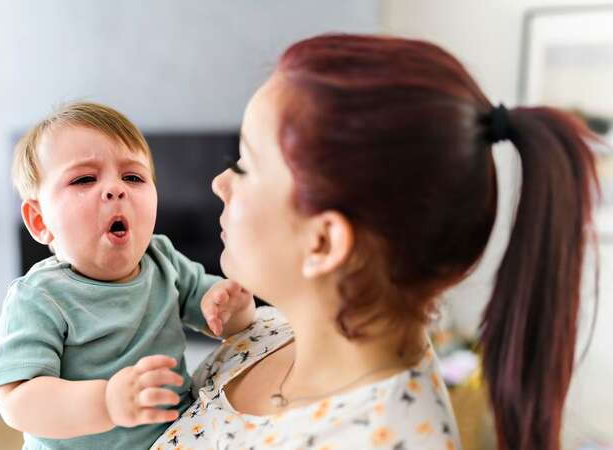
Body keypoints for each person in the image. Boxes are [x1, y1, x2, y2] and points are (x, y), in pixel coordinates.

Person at [151, 34, 600, 450]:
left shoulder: (382, 438)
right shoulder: (266, 333)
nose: (219, 182)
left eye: (244, 164)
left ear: (324, 242)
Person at [0, 102, 255, 450]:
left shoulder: (163, 259)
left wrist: (235, 307)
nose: (116, 189)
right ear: (40, 221)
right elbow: (17, 401)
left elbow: (224, 322)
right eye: (84, 178)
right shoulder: (40, 296)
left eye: (133, 177)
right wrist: (105, 402)